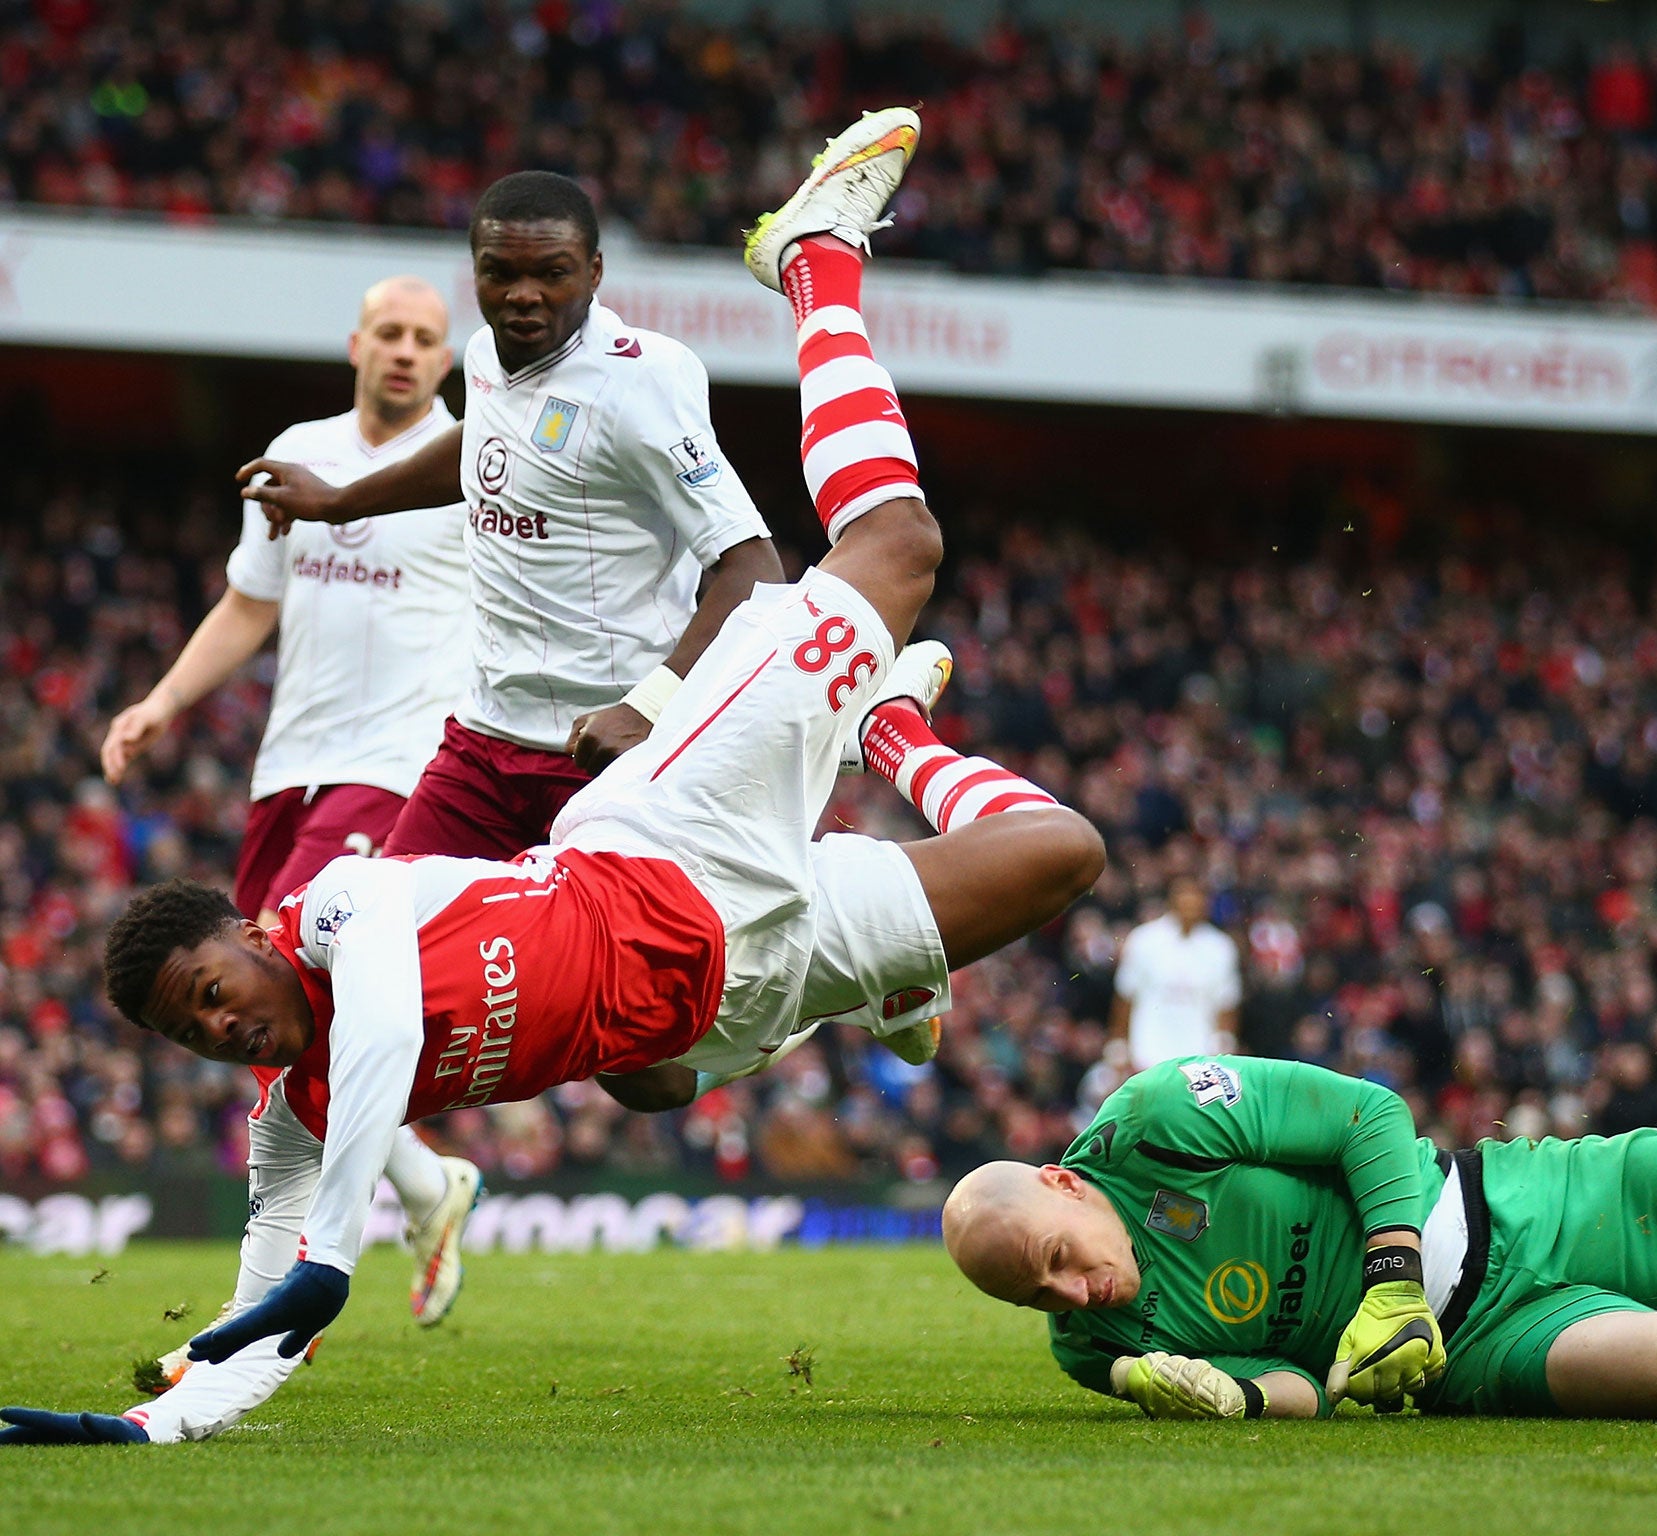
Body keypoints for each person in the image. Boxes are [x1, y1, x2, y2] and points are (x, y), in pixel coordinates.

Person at [0, 105, 1105, 1448]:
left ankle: (817, 261)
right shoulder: (292, 1110)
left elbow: (392, 1033)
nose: (221, 1031)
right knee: (1063, 858)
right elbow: (261, 1284)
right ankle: (896, 753)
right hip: (719, 976)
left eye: (211, 997)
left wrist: (333, 1253)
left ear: (251, 935)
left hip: (662, 830)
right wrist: (157, 1425)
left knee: (896, 545)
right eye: (195, 1034)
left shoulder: (348, 907)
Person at [101, 276, 481, 1345]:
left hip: (399, 766)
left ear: (445, 360)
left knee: (288, 992)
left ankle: (295, 1286)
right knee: (266, 1011)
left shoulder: (466, 464)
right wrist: (163, 702)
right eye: (389, 335)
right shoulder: (297, 449)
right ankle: (418, 1183)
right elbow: (251, 602)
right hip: (291, 769)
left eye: (424, 339)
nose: (405, 352)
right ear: (356, 344)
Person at [942, 1056, 1657, 1422]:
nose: (1073, 1300)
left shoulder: (1157, 1118)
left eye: (1056, 1262)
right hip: (1488, 1348)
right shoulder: (1095, 1351)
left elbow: (1369, 1114)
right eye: (1039, 1303)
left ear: (1062, 1182)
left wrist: (1387, 1278)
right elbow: (1302, 1390)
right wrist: (1231, 1399)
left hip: (1530, 1197)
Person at [234, 171, 786, 862]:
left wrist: (649, 705)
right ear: (475, 275)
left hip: (602, 751)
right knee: (382, 927)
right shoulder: (486, 356)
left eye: (552, 273)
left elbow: (753, 566)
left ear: (593, 272)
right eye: (500, 274)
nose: (524, 296)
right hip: (483, 742)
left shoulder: (639, 384)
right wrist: (340, 499)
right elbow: (487, 438)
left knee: (593, 968)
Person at [1108, 878, 1241, 1070]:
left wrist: (1221, 1057)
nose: (1190, 904)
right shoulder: (1144, 940)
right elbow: (1125, 997)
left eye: (1196, 897)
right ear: (1172, 900)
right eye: (1184, 896)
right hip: (1146, 1055)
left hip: (1199, 1060)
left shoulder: (1220, 947)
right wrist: (1119, 1047)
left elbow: (1227, 1005)